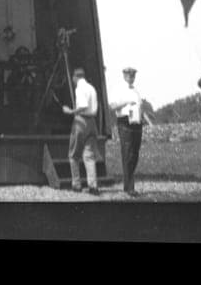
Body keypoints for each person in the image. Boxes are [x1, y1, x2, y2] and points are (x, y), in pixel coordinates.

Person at [107, 65, 155, 197]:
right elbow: (112, 106)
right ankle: (129, 187)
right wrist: (126, 102)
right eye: (129, 75)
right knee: (127, 153)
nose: (131, 77)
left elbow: (140, 108)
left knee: (135, 153)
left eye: (133, 75)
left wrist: (147, 120)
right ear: (124, 75)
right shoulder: (118, 89)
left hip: (137, 123)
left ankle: (129, 184)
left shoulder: (136, 91)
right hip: (125, 122)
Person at [62, 67, 100, 195]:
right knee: (89, 155)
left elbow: (83, 105)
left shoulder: (79, 88)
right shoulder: (92, 88)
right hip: (92, 122)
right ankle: (93, 186)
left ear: (75, 77)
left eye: (73, 78)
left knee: (73, 155)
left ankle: (76, 185)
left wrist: (70, 111)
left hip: (81, 122)